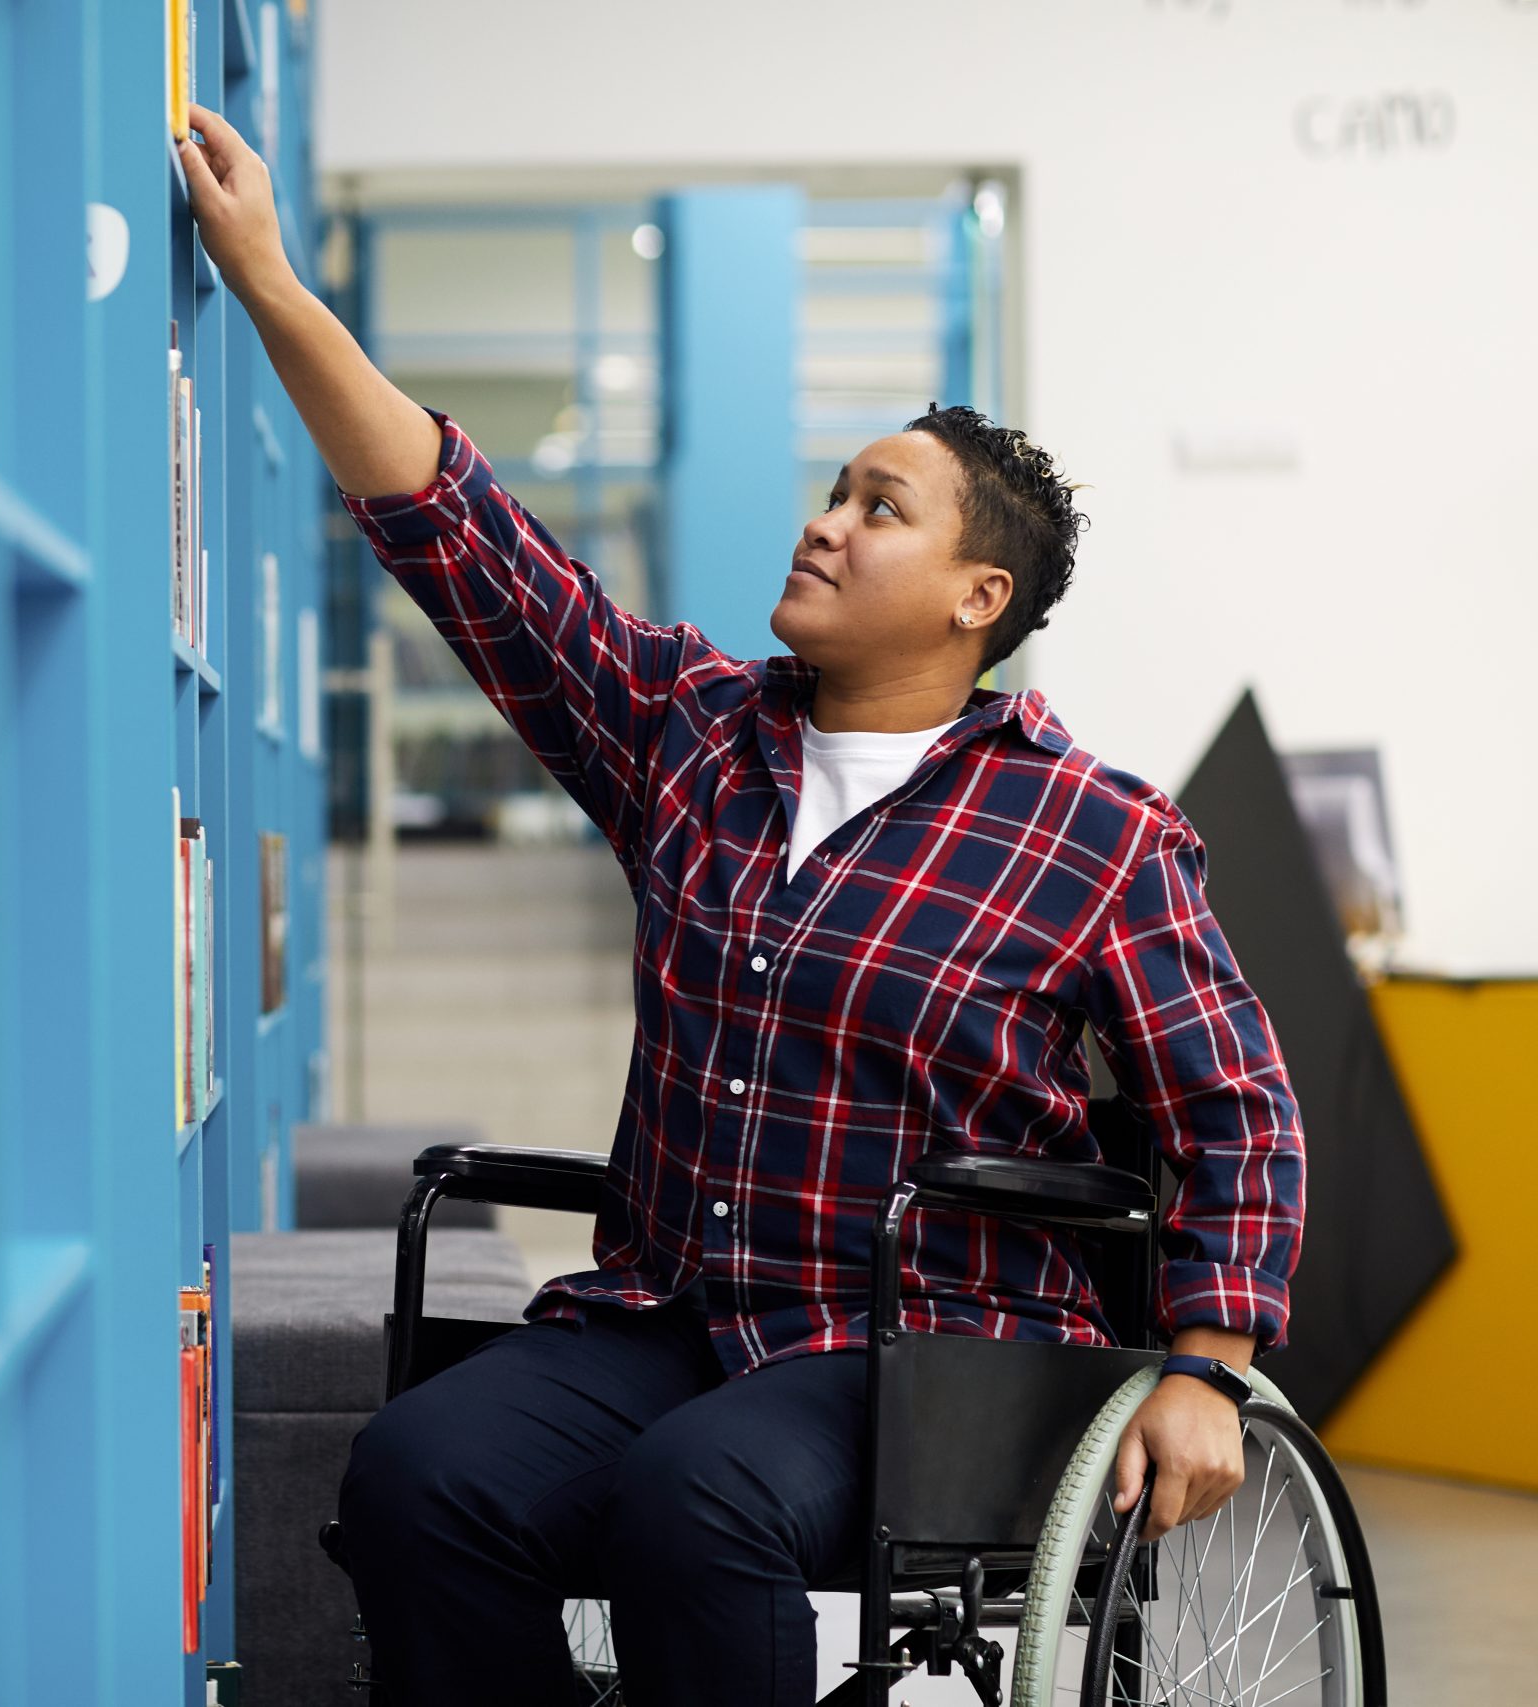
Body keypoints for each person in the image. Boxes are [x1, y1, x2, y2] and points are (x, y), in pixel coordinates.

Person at [180, 104, 1308, 1707]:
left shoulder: (1095, 833)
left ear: (978, 601)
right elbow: (465, 541)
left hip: (923, 1356)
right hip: (671, 1311)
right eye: (834, 489)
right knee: (420, 1476)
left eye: (880, 507)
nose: (825, 521)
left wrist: (1209, 1365)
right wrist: (272, 283)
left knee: (692, 1505)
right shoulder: (694, 734)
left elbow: (1239, 1109)